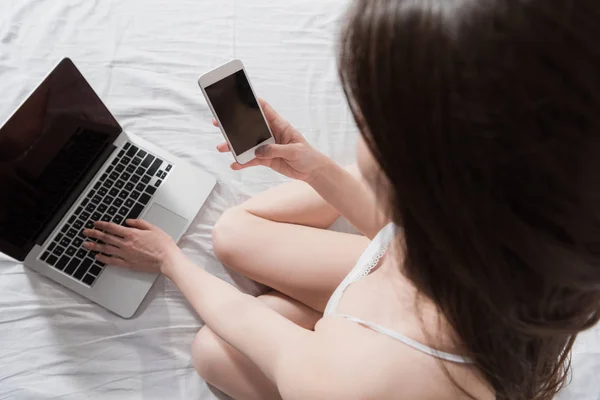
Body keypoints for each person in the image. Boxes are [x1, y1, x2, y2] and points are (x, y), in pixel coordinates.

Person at [83, 0, 600, 399]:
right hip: (402, 309)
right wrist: (311, 167)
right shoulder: (515, 242)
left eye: (370, 121)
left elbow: (250, 323)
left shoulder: (346, 383)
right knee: (232, 234)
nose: (360, 131)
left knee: (211, 351)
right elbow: (395, 230)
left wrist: (169, 260)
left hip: (370, 359)